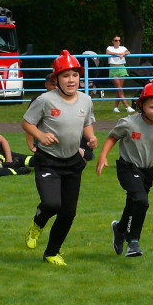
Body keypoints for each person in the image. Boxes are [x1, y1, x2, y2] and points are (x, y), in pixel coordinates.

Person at [22, 51, 97, 267]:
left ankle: (52, 252)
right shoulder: (45, 100)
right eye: (66, 76)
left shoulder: (86, 100)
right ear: (56, 79)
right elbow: (27, 123)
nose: (71, 79)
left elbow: (87, 124)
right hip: (48, 160)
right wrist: (40, 136)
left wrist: (91, 137)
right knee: (52, 203)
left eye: (75, 75)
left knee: (69, 212)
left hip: (73, 162)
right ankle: (37, 223)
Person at [96, 80, 153, 257]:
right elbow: (113, 137)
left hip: (148, 170)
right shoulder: (129, 123)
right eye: (152, 107)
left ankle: (120, 228)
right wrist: (103, 156)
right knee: (141, 201)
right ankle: (133, 241)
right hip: (127, 167)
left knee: (134, 202)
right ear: (142, 105)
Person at [106, 36, 133, 113]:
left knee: (119, 88)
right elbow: (108, 52)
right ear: (113, 41)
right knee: (119, 88)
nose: (117, 42)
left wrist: (123, 54)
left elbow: (128, 52)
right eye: (116, 40)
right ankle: (127, 106)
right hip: (113, 68)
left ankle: (115, 107)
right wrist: (118, 54)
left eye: (119, 40)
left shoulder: (123, 48)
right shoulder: (110, 47)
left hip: (121, 67)